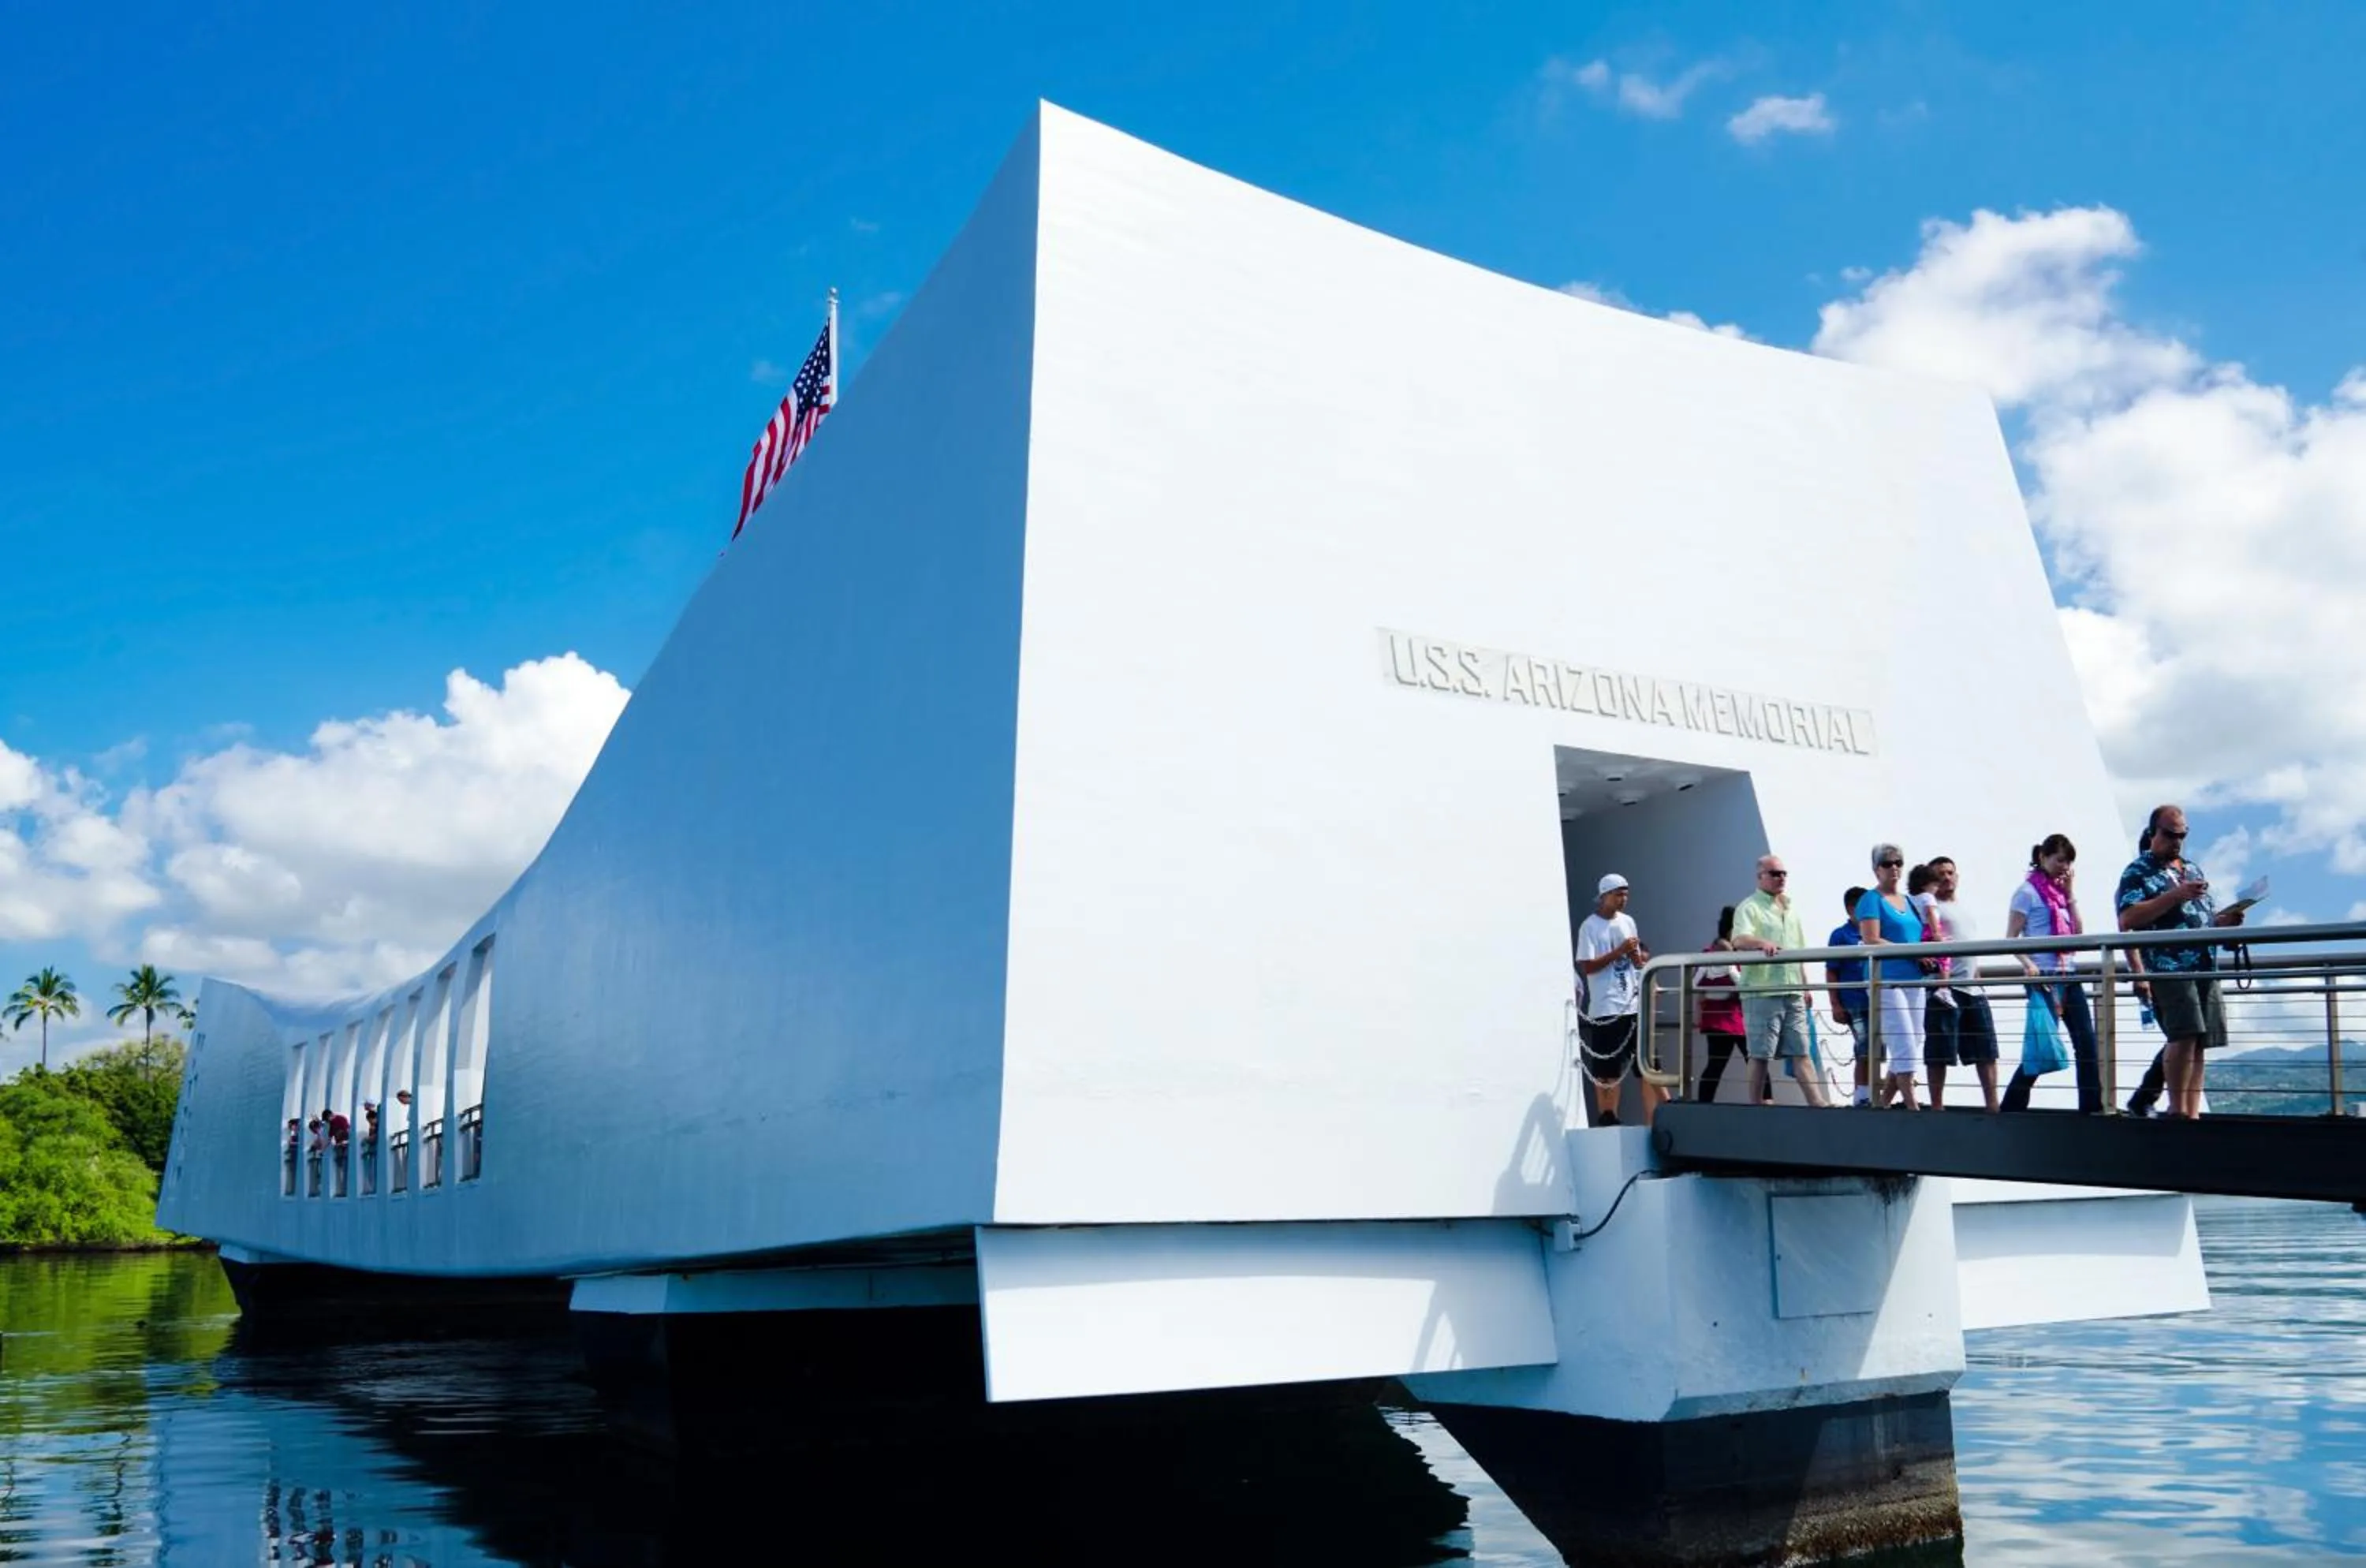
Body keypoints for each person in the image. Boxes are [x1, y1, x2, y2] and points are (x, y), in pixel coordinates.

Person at [2118, 805, 2245, 1119]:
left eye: (2182, 835)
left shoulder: (2192, 870)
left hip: (2204, 965)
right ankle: (2177, 1111)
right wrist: (2175, 896)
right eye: (2170, 834)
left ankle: (2191, 1112)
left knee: (2200, 1039)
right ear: (2153, 833)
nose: (2177, 841)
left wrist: (2225, 923)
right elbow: (2128, 918)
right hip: (2169, 966)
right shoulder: (2138, 871)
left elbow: (2202, 919)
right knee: (2183, 1035)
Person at [2002, 834, 2102, 1113]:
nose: (2064, 867)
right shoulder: (2027, 893)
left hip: (2068, 975)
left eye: (2068, 862)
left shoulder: (2060, 895)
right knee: (2042, 1044)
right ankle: (2012, 1106)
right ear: (2042, 858)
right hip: (2043, 978)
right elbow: (2010, 938)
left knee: (2086, 1042)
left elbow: (2078, 934)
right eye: (2059, 860)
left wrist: (2070, 894)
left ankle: (2092, 1107)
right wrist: (2028, 964)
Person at [1730, 855, 1831, 1107]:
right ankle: (1755, 1104)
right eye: (1775, 873)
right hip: (1762, 991)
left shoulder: (1791, 909)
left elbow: (1798, 952)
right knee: (1760, 1053)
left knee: (1802, 1050)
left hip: (1792, 989)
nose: (1781, 878)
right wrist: (1761, 943)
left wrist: (1805, 986)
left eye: (1784, 873)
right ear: (1760, 877)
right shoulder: (1749, 907)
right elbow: (1739, 940)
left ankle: (1817, 1102)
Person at [1575, 873, 1661, 1126]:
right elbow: (1588, 967)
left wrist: (1636, 959)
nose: (1623, 899)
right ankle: (1609, 1117)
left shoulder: (1628, 921)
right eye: (1618, 894)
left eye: (1626, 894)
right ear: (1604, 896)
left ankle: (1654, 1120)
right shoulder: (1590, 926)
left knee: (1648, 1065)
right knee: (1608, 1069)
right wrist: (1618, 952)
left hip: (1633, 1005)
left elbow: (1635, 960)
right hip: (1606, 1007)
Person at [1923, 857, 2000, 1112]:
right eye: (1940, 874)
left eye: (1950, 872)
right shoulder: (1930, 907)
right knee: (1939, 1050)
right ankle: (1937, 1106)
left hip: (1972, 988)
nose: (1947, 878)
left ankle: (1992, 1106)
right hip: (1944, 987)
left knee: (1986, 1050)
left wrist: (1977, 977)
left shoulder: (1964, 908)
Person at [1857, 845, 1925, 1108]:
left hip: (1913, 978)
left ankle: (1884, 1102)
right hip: (1886, 978)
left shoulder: (1909, 901)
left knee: (1914, 1038)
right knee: (1903, 1039)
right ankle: (1911, 1104)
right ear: (1876, 869)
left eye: (1898, 862)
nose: (1894, 867)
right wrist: (1912, 953)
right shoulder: (1871, 900)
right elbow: (1871, 939)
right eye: (1887, 863)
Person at [1694, 906, 1757, 1104]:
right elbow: (1701, 986)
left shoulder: (1740, 953)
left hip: (1735, 1017)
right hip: (1723, 1017)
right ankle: (1704, 1106)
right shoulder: (1714, 953)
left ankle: (1765, 1102)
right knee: (1724, 1063)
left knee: (1750, 1062)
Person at [1824, 887, 1872, 1106]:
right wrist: (1835, 1004)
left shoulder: (1876, 932)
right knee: (1864, 1047)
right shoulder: (1840, 935)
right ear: (1852, 908)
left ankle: (1873, 1094)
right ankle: (1861, 1097)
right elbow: (1831, 971)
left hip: (1878, 1000)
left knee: (1878, 1049)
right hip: (1854, 1001)